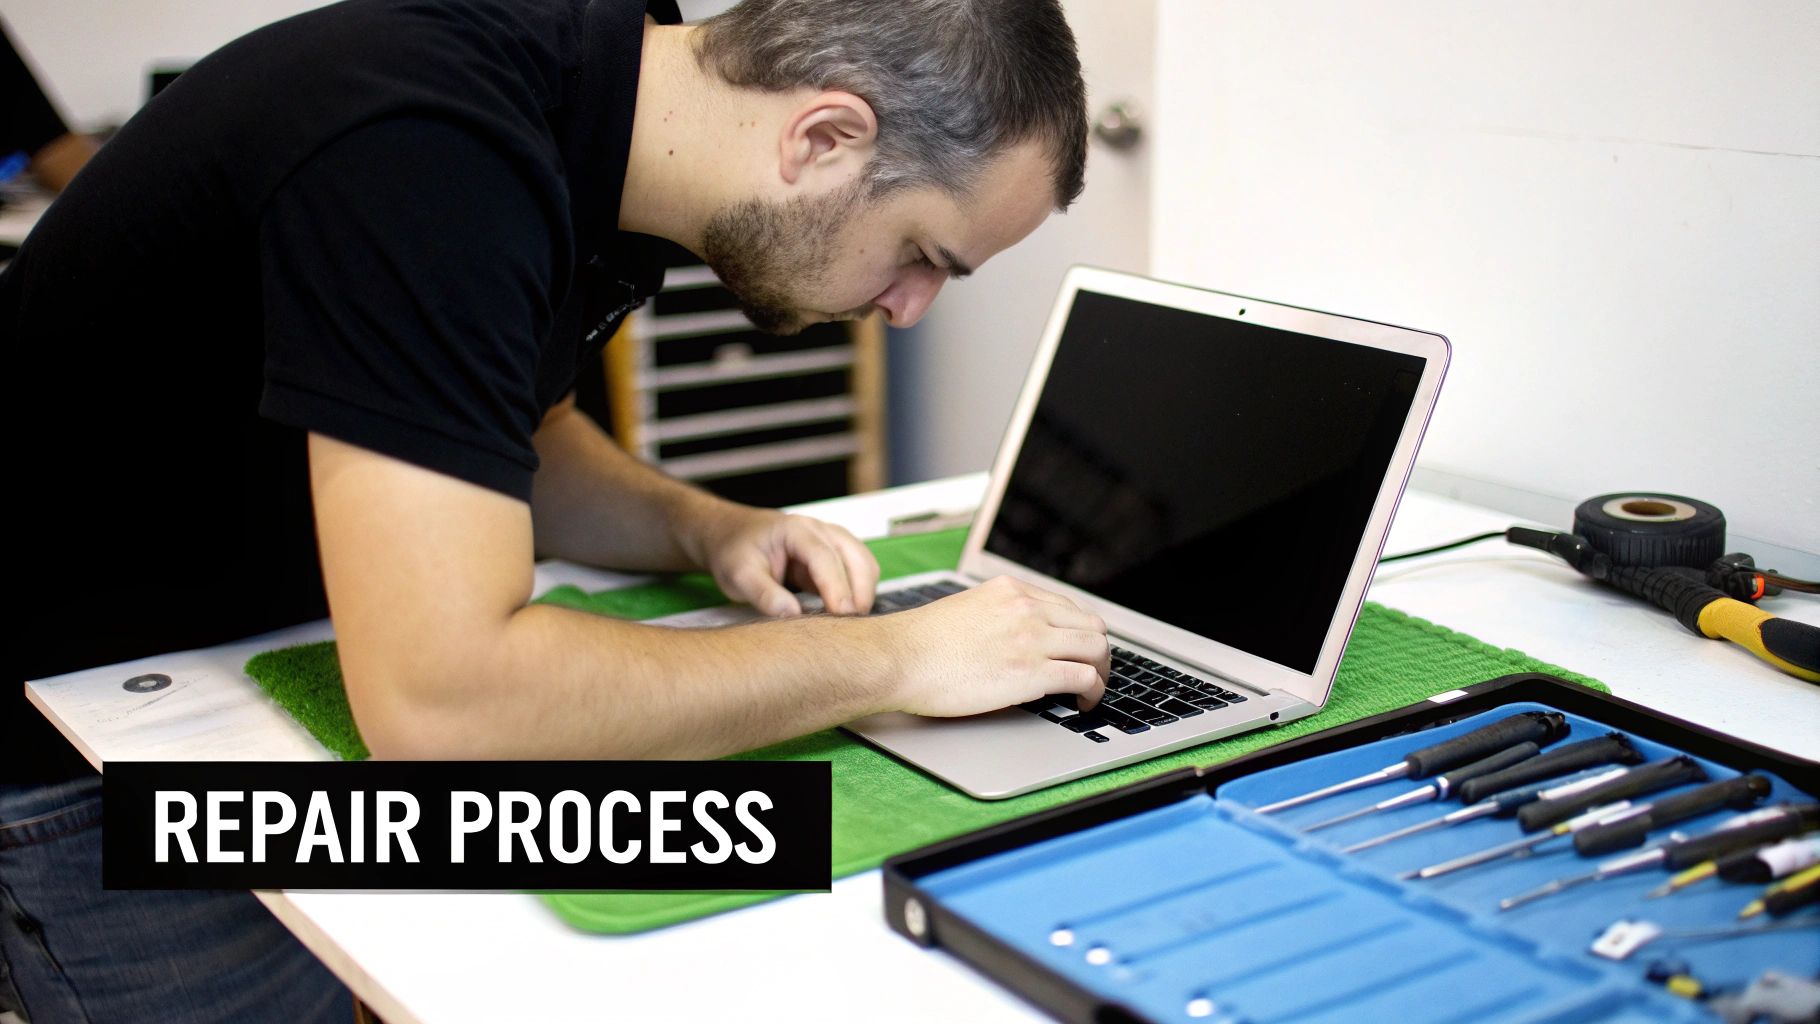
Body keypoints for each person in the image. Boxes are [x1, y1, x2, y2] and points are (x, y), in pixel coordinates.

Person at [3, 0, 1097, 1017]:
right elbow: (446, 706)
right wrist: (896, 658)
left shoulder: (620, 95)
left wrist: (705, 528)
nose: (909, 310)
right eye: (919, 255)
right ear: (821, 138)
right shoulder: (432, 150)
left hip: (252, 669)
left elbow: (510, 433)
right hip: (82, 751)